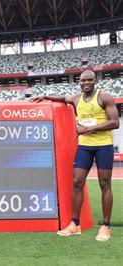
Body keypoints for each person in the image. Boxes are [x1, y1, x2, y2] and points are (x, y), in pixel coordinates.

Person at [32, 70, 119, 241]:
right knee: (77, 182)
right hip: (85, 146)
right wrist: (45, 96)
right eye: (83, 80)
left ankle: (105, 227)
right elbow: (63, 98)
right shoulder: (76, 99)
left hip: (103, 146)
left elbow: (115, 122)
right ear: (79, 82)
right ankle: (75, 224)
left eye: (89, 80)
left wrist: (88, 129)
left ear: (95, 81)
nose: (86, 83)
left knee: (104, 184)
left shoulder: (104, 97)